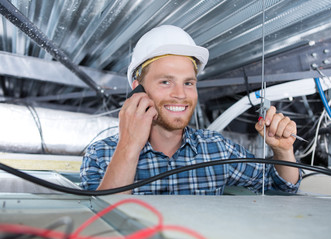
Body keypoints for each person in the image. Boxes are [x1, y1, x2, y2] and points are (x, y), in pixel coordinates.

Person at [80, 25, 301, 195]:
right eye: (166, 82)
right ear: (138, 90)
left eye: (188, 83)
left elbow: (279, 188)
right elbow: (95, 224)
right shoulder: (101, 155)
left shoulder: (218, 149)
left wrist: (283, 151)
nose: (181, 94)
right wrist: (128, 147)